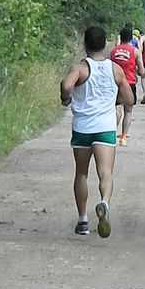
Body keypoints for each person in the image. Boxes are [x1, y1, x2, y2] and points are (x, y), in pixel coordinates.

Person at [60, 26, 134, 238]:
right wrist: (112, 100)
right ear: (105, 45)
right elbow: (129, 100)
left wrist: (66, 98)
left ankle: (82, 221)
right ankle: (104, 204)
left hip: (82, 128)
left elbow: (66, 86)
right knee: (105, 173)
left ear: (85, 43)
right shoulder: (116, 70)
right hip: (105, 128)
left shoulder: (80, 68)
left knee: (81, 173)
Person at [110, 27, 145, 146]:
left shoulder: (114, 51)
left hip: (114, 82)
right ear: (131, 38)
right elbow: (141, 71)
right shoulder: (135, 51)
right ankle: (123, 137)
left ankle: (111, 134)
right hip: (129, 82)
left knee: (113, 108)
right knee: (128, 111)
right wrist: (135, 69)